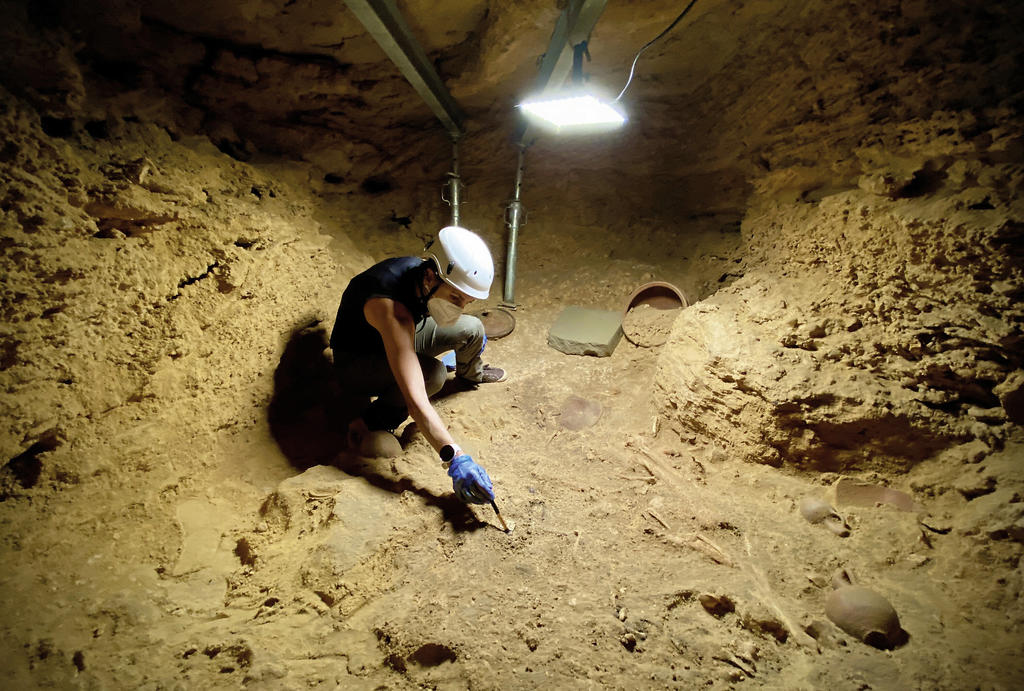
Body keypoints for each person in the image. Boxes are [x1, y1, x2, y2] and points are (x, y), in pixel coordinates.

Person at [330, 225, 507, 504]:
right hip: (358, 360)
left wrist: (454, 308)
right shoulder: (389, 306)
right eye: (455, 297)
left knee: (472, 328)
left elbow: (436, 317)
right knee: (432, 374)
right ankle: (371, 422)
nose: (460, 306)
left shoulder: (422, 277)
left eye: (467, 300)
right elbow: (417, 403)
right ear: (430, 277)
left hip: (402, 334)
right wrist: (456, 457)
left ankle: (470, 374)